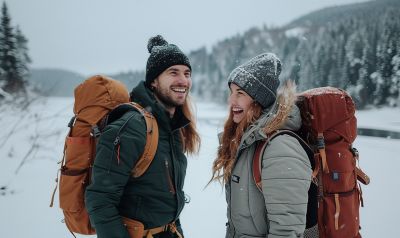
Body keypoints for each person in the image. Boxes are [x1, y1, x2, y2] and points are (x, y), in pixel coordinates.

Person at [85, 35, 201, 238]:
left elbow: (165, 200)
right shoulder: (132, 127)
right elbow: (100, 200)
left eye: (187, 73)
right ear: (154, 81)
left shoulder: (171, 128)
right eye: (173, 72)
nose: (183, 80)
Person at [211, 53, 312, 238]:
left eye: (240, 93)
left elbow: (286, 232)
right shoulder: (249, 142)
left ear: (259, 100)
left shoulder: (280, 148)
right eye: (231, 92)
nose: (231, 101)